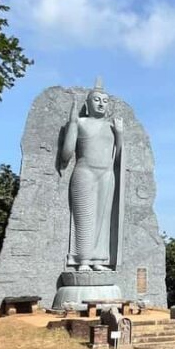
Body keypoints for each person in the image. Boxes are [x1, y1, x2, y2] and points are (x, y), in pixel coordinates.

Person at [61, 78, 123, 271]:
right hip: (85, 172)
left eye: (105, 101)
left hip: (106, 174)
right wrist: (72, 124)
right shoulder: (81, 122)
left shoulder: (111, 127)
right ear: (87, 104)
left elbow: (118, 158)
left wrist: (119, 134)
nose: (101, 104)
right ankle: (83, 260)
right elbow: (66, 154)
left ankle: (98, 260)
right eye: (96, 100)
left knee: (103, 220)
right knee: (85, 217)